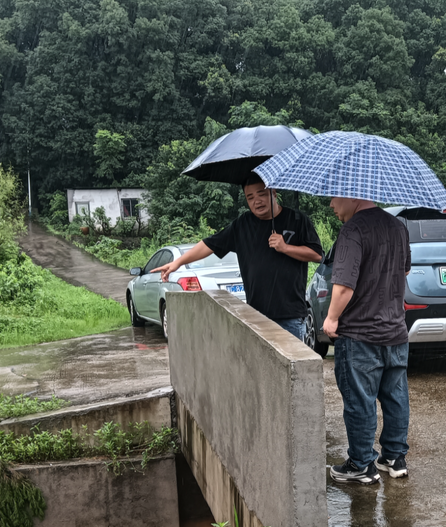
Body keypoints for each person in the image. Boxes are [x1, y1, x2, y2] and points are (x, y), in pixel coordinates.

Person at [153, 175, 324, 339]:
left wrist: (286, 247)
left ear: (274, 193)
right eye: (250, 197)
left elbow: (316, 255)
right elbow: (209, 244)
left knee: (291, 368)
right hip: (257, 316)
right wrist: (177, 263)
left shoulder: (298, 220)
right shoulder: (242, 225)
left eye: (262, 194)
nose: (256, 201)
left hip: (290, 316)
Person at [323, 197, 411, 485]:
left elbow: (344, 286)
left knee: (360, 400)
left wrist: (332, 318)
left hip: (360, 333)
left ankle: (361, 464)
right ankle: (394, 458)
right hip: (395, 331)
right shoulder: (398, 226)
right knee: (395, 396)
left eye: (334, 198)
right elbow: (405, 270)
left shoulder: (352, 231)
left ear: (352, 195)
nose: (331, 205)